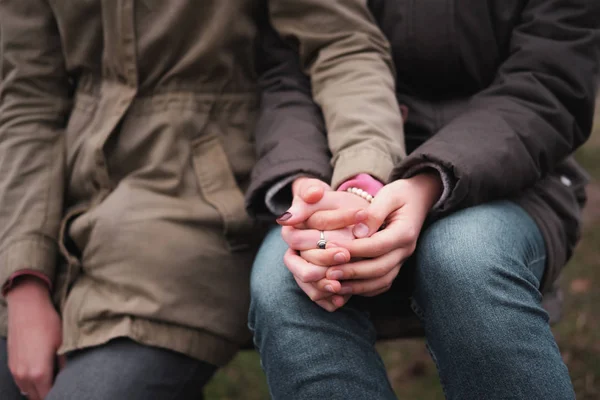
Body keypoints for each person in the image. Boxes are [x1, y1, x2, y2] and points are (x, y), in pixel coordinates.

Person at [0, 1, 410, 399]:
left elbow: (341, 45)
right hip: (50, 216)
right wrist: (24, 276)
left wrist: (362, 180)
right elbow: (28, 96)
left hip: (196, 221)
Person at [246, 0, 600, 399]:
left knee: (465, 258)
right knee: (286, 283)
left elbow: (550, 83)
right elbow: (288, 76)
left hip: (514, 175)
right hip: (341, 168)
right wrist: (307, 184)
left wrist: (424, 183)